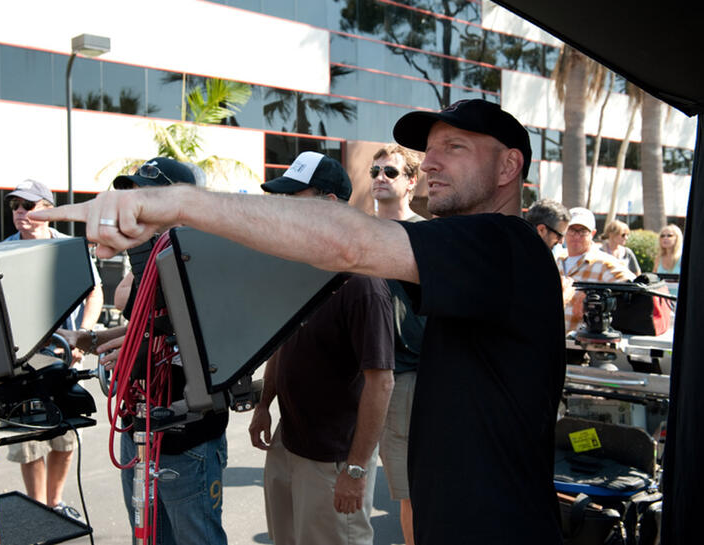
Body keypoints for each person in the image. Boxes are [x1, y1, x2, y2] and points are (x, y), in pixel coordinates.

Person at [31, 98, 567, 545]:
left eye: (454, 147)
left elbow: (350, 244)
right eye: (430, 150)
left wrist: (178, 204)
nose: (429, 163)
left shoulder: (506, 245)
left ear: (507, 167)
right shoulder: (472, 258)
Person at [64, 158, 229, 545]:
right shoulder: (149, 259)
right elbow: (145, 322)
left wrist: (146, 347)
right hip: (139, 430)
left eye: (147, 198)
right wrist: (88, 339)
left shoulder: (205, 260)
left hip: (187, 439)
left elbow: (211, 339)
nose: (135, 208)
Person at [247, 151, 394, 545]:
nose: (284, 208)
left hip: (334, 458)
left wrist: (356, 469)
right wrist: (264, 405)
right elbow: (283, 342)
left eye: (293, 198)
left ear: (329, 204)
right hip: (288, 442)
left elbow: (381, 383)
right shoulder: (298, 268)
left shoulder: (362, 283)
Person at [3, 179, 103, 518]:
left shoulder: (69, 248)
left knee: (64, 436)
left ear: (49, 210)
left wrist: (83, 335)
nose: (20, 212)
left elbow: (94, 291)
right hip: (21, 361)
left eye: (28, 206)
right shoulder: (3, 251)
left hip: (65, 358)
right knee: (28, 442)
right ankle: (37, 510)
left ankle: (54, 504)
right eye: (15, 206)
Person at [369, 143, 425, 545]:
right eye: (375, 171)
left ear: (411, 181)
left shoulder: (427, 234)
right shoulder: (359, 231)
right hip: (359, 371)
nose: (380, 178)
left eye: (390, 172)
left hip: (405, 373)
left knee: (410, 490)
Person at [557, 207, 635, 333]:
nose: (576, 236)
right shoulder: (557, 261)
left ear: (592, 234)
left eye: (583, 231)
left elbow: (635, 288)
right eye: (572, 230)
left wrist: (592, 297)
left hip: (584, 341)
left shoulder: (604, 263)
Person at [654, 223, 683, 296]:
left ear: (677, 238)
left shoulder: (681, 258)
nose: (665, 238)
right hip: (662, 298)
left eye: (669, 235)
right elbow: (653, 280)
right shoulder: (658, 258)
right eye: (662, 236)